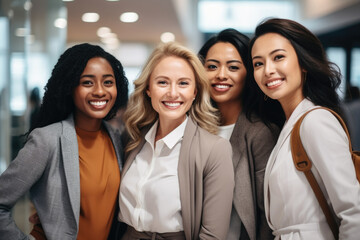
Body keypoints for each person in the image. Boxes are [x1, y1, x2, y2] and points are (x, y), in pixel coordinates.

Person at [0, 43, 128, 240]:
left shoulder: (117, 138)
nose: (100, 91)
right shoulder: (47, 140)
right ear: (70, 87)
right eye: (87, 82)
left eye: (108, 82)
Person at [249, 18, 360, 239]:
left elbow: (353, 211)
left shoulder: (316, 121)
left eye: (278, 57)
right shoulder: (289, 125)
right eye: (258, 63)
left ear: (303, 63)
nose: (267, 70)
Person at [118, 42, 234, 240]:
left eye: (183, 83)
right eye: (162, 82)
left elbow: (213, 236)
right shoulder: (133, 138)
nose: (173, 93)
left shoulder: (215, 149)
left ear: (195, 92)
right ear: (148, 89)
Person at [198, 28, 279, 240]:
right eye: (212, 67)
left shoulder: (259, 133)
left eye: (233, 67)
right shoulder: (193, 127)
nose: (221, 75)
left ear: (249, 73)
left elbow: (266, 213)